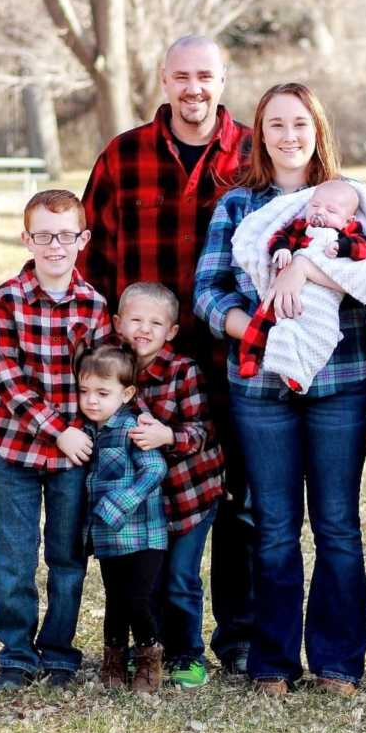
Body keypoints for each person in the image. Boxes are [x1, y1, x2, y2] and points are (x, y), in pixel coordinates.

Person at [77, 35, 254, 676]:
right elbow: (91, 265)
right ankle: (149, 632)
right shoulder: (123, 157)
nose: (193, 88)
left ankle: (236, 638)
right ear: (163, 81)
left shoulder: (252, 157)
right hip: (143, 370)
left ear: (223, 79)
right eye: (181, 76)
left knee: (237, 500)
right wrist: (105, 360)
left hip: (233, 361)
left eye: (205, 75)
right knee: (146, 497)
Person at [194, 82, 366, 696]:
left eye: (300, 123)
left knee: (337, 525)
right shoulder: (238, 206)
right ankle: (272, 661)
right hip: (260, 388)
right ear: (259, 134)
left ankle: (338, 662)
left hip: (340, 380)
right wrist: (256, 332)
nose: (289, 135)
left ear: (318, 130)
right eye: (276, 124)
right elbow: (208, 291)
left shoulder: (349, 202)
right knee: (272, 525)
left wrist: (305, 267)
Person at [0, 189, 111, 692]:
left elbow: (103, 380)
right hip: (18, 450)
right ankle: (16, 653)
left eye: (64, 236)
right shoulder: (7, 298)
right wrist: (57, 429)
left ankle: (59, 651)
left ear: (82, 239)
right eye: (43, 235)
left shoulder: (95, 305)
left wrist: (80, 435)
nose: (54, 246)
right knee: (13, 556)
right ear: (27, 238)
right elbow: (8, 377)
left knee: (67, 557)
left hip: (74, 457)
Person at [113, 282, 225, 689]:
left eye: (155, 323)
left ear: (171, 332)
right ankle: (148, 652)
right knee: (147, 581)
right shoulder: (111, 370)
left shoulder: (183, 371)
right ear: (117, 324)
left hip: (189, 495)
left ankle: (188, 655)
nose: (144, 329)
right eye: (135, 320)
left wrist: (168, 437)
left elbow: (202, 432)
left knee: (181, 578)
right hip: (142, 504)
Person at [76, 344, 169, 694]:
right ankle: (113, 661)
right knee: (114, 598)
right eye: (84, 392)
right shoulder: (89, 431)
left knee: (137, 597)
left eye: (102, 392)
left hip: (143, 534)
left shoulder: (131, 427)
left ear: (127, 393)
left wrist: (116, 505)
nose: (92, 401)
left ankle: (148, 657)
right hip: (108, 538)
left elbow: (155, 469)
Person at [238, 178, 366, 391]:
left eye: (331, 210)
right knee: (264, 317)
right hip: (285, 290)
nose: (319, 212)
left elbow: (365, 249)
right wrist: (281, 249)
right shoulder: (301, 227)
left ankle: (298, 372)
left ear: (349, 220)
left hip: (323, 300)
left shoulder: (348, 233)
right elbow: (277, 236)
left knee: (325, 334)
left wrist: (343, 247)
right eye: (315, 206)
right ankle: (250, 360)